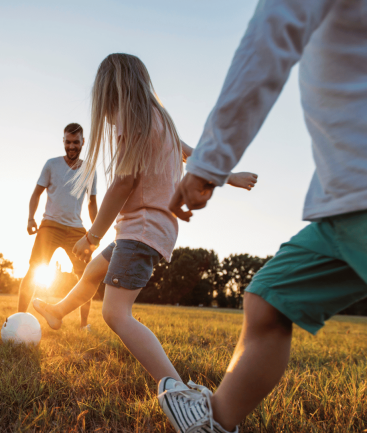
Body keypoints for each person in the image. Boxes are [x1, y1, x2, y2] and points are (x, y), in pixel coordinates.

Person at [163, 0, 367, 432]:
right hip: (348, 198)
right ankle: (217, 424)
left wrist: (208, 162)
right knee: (270, 298)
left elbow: (273, 31)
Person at [32, 54, 258, 407]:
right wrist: (230, 176)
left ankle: (180, 392)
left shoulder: (131, 120)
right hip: (143, 228)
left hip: (143, 228)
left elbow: (123, 184)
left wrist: (92, 235)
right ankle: (58, 312)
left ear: (111, 92)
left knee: (115, 313)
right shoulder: (159, 119)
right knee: (94, 272)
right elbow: (191, 155)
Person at [18, 123, 99, 330]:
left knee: (87, 276)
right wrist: (30, 218)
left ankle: (83, 325)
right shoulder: (51, 165)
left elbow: (92, 203)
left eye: (76, 142)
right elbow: (36, 194)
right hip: (50, 226)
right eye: (68, 142)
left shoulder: (90, 170)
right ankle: (20, 319)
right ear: (63, 142)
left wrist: (96, 232)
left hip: (77, 230)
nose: (72, 146)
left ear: (83, 143)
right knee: (34, 270)